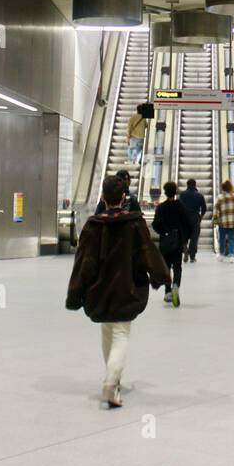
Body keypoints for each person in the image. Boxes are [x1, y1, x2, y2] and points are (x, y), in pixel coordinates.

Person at [66, 174, 170, 409]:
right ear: (124, 197)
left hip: (99, 290)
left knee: (107, 332)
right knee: (121, 334)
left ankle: (113, 379)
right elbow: (147, 253)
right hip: (126, 287)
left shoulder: (93, 226)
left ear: (103, 197)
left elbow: (84, 262)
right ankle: (111, 382)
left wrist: (76, 292)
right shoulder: (133, 223)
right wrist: (160, 276)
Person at [153, 181, 193, 306]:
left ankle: (167, 292)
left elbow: (155, 224)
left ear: (165, 192)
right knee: (177, 267)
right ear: (175, 192)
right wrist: (185, 238)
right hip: (177, 240)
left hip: (165, 241)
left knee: (166, 267)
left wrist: (163, 232)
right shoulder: (180, 206)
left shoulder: (161, 207)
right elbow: (188, 223)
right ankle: (176, 286)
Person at [212, 179, 234, 263]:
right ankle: (231, 255)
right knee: (232, 238)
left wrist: (214, 219)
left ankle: (221, 254)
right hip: (232, 221)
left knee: (222, 238)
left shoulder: (220, 197)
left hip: (222, 222)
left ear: (223, 188)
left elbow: (216, 210)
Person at [178, 178, 207, 263]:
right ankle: (192, 256)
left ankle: (185, 249)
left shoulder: (182, 194)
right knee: (194, 238)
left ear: (187, 185)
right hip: (195, 218)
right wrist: (201, 216)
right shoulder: (199, 195)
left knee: (184, 236)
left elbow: (179, 206)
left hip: (184, 218)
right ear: (195, 185)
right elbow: (204, 208)